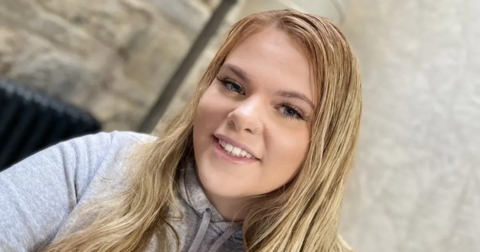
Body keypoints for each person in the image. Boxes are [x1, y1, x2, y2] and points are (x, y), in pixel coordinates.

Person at [0, 9, 361, 252]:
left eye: (289, 110)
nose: (243, 115)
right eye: (233, 85)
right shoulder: (106, 161)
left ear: (326, 145)